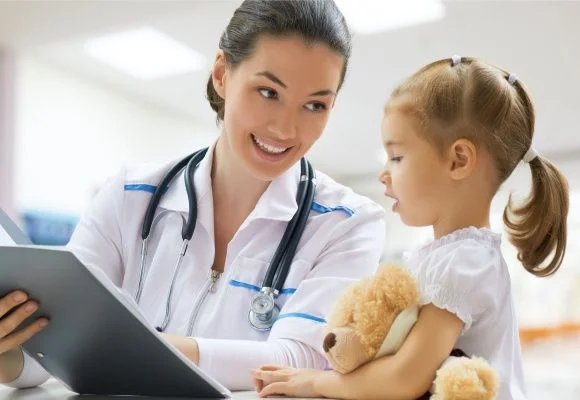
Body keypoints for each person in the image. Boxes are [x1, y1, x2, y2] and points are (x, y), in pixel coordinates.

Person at [0, 0, 385, 391]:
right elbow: (51, 346)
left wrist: (128, 347)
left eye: (315, 105)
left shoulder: (349, 223)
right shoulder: (128, 196)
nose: (286, 129)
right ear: (222, 74)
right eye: (268, 92)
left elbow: (299, 360)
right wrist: (7, 346)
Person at [252, 56, 570, 400]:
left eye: (397, 157)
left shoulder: (463, 262)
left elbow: (404, 378)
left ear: (458, 160)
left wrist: (314, 382)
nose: (383, 174)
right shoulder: (453, 256)